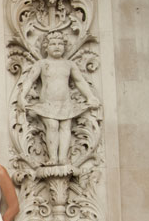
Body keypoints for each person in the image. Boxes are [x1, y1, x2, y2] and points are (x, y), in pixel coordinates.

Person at [19, 30, 100, 166]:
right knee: (52, 126)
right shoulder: (42, 64)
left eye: (60, 44)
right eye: (53, 44)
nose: (57, 46)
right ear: (46, 46)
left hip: (65, 103)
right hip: (47, 103)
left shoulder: (69, 64)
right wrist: (22, 96)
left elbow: (80, 81)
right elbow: (30, 80)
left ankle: (62, 158)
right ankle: (53, 157)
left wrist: (90, 97)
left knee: (65, 127)